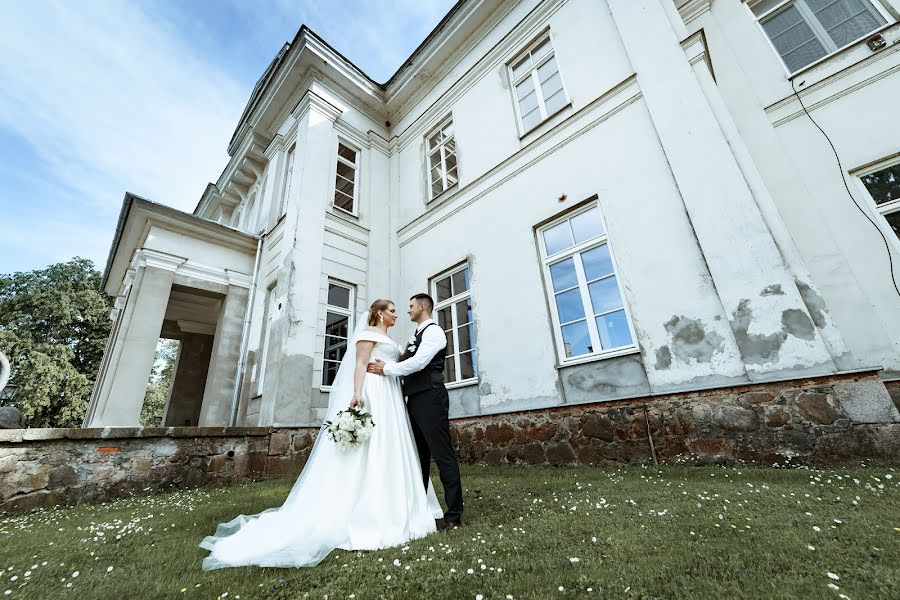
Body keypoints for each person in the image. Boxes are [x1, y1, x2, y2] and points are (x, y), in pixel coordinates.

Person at [199, 299, 443, 570]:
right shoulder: (366, 334)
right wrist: (357, 394)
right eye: (393, 310)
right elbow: (360, 366)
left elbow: (400, 365)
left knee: (392, 446)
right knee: (370, 447)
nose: (398, 314)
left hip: (392, 395)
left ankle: (399, 505)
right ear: (379, 313)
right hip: (374, 392)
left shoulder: (395, 340)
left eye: (400, 310)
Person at [367, 293, 464, 528]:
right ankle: (418, 511)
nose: (407, 310)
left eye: (410, 306)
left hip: (431, 398)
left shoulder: (434, 333)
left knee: (442, 455)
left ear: (423, 307)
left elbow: (419, 363)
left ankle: (454, 516)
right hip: (415, 400)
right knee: (417, 457)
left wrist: (387, 369)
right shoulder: (415, 335)